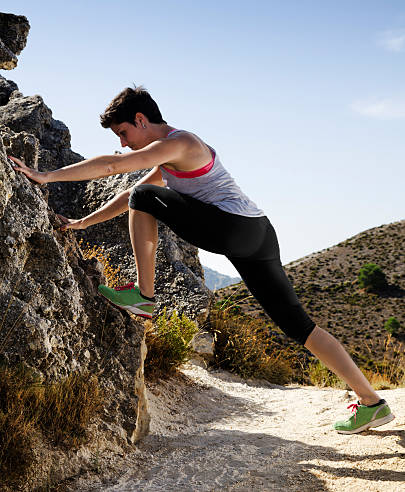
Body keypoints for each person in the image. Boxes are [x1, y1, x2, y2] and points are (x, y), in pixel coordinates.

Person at [9, 85, 395, 434]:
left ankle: (144, 295)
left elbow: (113, 169)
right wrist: (81, 223)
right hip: (259, 233)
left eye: (124, 133)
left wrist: (46, 176)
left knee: (144, 198)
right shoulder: (172, 158)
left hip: (234, 230)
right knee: (299, 325)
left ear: (142, 120)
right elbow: (130, 196)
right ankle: (372, 403)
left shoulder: (181, 142)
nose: (124, 145)